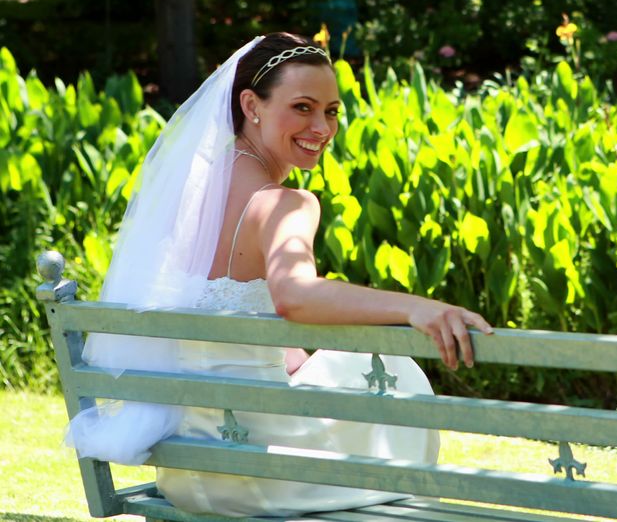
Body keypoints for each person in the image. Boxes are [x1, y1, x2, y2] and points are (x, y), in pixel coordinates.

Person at [64, 33, 492, 516]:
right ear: (251, 104)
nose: (321, 127)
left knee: (338, 365)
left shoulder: (191, 194)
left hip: (190, 471)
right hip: (261, 475)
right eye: (303, 107)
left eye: (331, 111)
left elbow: (222, 306)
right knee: (396, 371)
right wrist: (418, 307)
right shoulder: (286, 203)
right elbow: (294, 296)